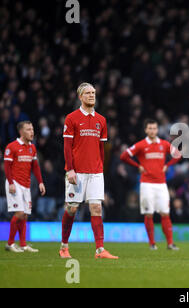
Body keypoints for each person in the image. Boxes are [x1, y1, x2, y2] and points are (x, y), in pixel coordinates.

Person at [59, 82, 118, 259]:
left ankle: (100, 250)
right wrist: (70, 170)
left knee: (96, 208)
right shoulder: (71, 118)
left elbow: (101, 148)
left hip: (95, 172)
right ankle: (64, 247)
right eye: (88, 93)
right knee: (71, 209)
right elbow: (67, 147)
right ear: (80, 97)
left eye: (93, 92)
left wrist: (101, 168)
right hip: (77, 172)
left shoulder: (102, 120)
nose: (92, 95)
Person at [120, 119, 181, 250]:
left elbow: (178, 155)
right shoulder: (141, 145)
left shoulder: (164, 144)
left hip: (161, 184)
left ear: (157, 130)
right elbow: (124, 156)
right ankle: (152, 243)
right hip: (146, 184)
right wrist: (138, 166)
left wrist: (167, 165)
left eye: (154, 128)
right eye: (150, 128)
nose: (152, 131)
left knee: (165, 213)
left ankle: (170, 243)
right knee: (149, 214)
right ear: (146, 130)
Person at [4, 121, 46, 253]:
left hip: (26, 184)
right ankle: (10, 243)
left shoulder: (32, 148)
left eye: (32, 129)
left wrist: (40, 182)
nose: (32, 132)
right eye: (28, 129)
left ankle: (23, 244)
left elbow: (35, 167)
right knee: (20, 213)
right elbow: (6, 167)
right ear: (21, 132)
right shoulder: (12, 147)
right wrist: (11, 183)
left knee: (25, 215)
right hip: (15, 183)